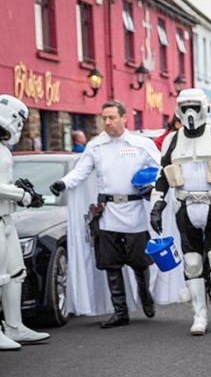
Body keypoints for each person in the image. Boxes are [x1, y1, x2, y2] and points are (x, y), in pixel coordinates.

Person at [51, 101, 162, 328]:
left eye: (112, 117)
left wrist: (152, 185)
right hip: (107, 213)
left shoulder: (141, 144)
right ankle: (120, 312)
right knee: (111, 265)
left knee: (140, 262)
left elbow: (161, 169)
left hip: (135, 213)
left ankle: (145, 296)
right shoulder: (96, 146)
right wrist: (63, 183)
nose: (107, 122)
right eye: (104, 118)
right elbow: (80, 172)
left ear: (124, 118)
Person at [149, 89, 211, 336]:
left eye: (195, 107)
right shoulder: (172, 141)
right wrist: (156, 205)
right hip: (184, 207)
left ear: (205, 108)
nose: (191, 113)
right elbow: (162, 177)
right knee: (192, 262)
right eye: (186, 108)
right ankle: (199, 314)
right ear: (178, 110)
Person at [0, 95, 48, 350]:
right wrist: (21, 195)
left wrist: (19, 192)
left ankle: (14, 326)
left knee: (16, 272)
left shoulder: (3, 149)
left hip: (6, 218)